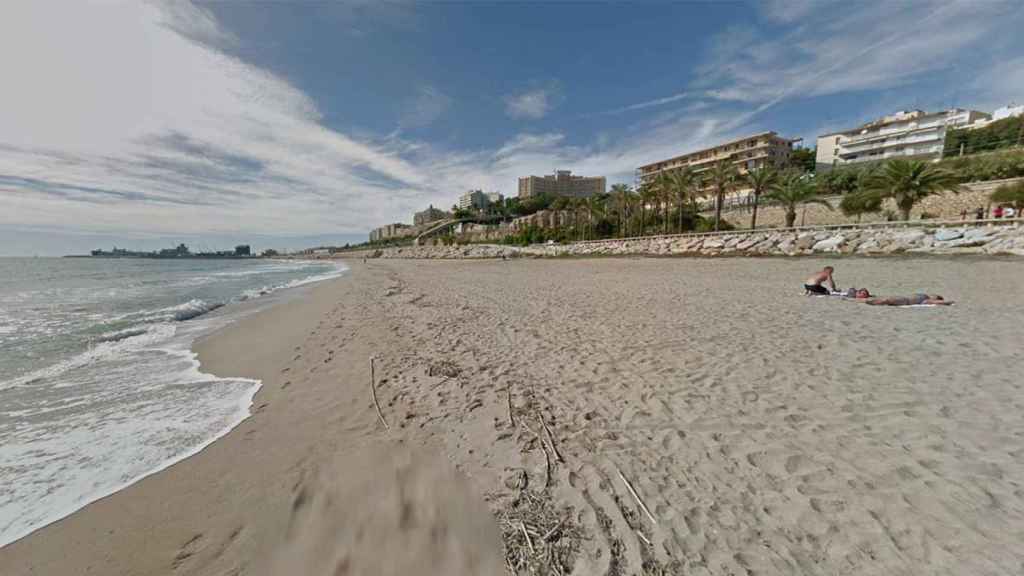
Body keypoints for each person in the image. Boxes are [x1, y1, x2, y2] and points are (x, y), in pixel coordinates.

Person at [865, 293, 953, 306]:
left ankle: (872, 302)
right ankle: (871, 301)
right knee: (887, 300)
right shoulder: (925, 297)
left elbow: (940, 302)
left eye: (936, 296)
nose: (933, 295)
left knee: (887, 300)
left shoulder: (926, 300)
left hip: (906, 301)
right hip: (904, 298)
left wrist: (949, 302)